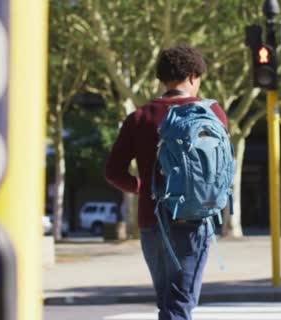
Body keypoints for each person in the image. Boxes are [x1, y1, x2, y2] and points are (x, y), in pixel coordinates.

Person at [105, 45, 228, 320]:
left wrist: (144, 188)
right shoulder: (213, 114)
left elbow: (113, 172)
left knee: (169, 304)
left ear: (161, 78)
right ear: (194, 76)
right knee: (179, 305)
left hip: (152, 221)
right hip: (194, 220)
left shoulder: (139, 117)